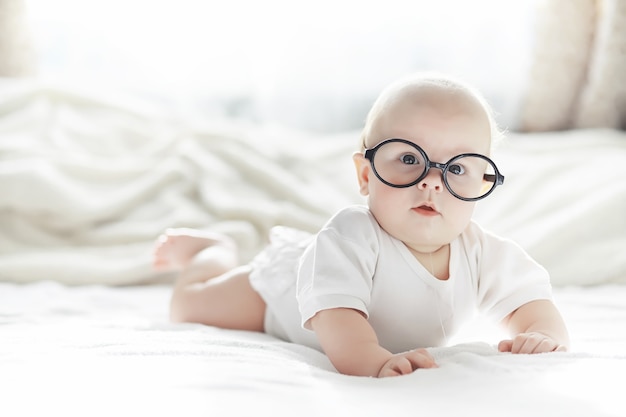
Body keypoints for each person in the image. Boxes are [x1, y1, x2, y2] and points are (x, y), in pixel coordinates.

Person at [153, 72, 570, 378]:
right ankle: (212, 252)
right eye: (409, 159)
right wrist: (372, 361)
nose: (431, 180)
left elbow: (531, 305)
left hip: (318, 281)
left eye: (457, 168)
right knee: (187, 304)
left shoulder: (482, 251)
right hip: (278, 297)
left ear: (483, 182)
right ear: (366, 175)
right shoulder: (353, 233)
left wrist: (540, 335)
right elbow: (339, 320)